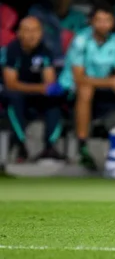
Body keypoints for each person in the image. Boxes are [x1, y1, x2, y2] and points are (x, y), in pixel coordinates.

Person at [58, 3, 115, 170]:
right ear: (91, 22)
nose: (103, 24)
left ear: (112, 22)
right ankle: (82, 146)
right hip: (74, 88)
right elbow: (79, 78)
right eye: (98, 20)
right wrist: (112, 82)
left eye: (107, 20)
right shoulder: (80, 40)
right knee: (86, 90)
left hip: (104, 86)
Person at [1, 17, 66, 162]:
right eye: (27, 31)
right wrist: (40, 88)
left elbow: (49, 81)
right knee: (14, 98)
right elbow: (11, 83)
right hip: (16, 95)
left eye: (36, 31)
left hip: (36, 96)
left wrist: (45, 88)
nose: (32, 35)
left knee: (55, 99)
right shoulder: (12, 50)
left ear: (41, 33)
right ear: (19, 33)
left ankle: (50, 147)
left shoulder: (45, 51)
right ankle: (20, 145)